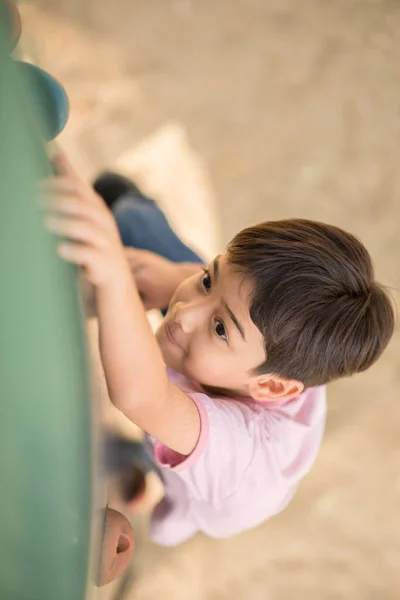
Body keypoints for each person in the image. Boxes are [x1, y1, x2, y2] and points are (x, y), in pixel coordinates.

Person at [43, 153, 395, 546]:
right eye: (208, 279)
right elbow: (213, 302)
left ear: (274, 387)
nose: (184, 313)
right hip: (238, 366)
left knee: (159, 435)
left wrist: (113, 279)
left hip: (211, 476)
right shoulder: (269, 345)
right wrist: (173, 277)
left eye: (221, 328)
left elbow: (141, 396)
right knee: (128, 215)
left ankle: (131, 466)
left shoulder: (239, 450)